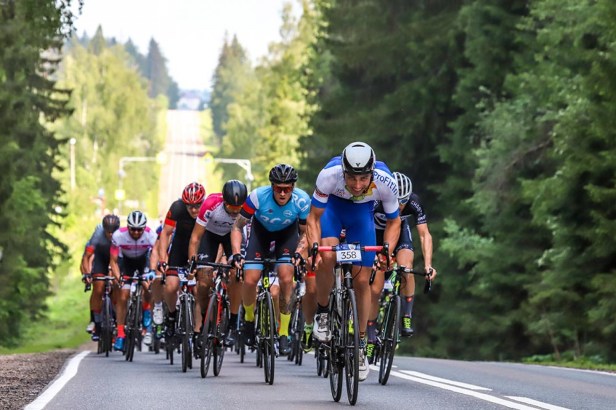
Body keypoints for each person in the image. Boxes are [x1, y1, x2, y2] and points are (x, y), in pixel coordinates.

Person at [303, 141, 401, 381]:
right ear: (343, 171)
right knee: (327, 256)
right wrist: (315, 249)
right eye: (352, 178)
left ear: (372, 173)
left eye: (363, 179)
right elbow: (313, 218)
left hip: (361, 215)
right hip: (332, 211)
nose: (357, 185)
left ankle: (360, 346)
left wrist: (387, 252)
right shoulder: (329, 174)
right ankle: (323, 314)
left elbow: (394, 222)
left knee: (362, 281)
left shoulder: (386, 181)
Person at [230, 164, 310, 356]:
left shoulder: (302, 200)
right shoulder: (257, 197)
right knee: (250, 279)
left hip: (286, 236)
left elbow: (306, 232)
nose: (282, 193)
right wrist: (237, 253)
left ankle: (283, 333)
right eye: (278, 188)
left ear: (293, 187)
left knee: (286, 277)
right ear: (272, 186)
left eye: (287, 189)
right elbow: (237, 226)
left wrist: (300, 252)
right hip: (260, 235)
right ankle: (249, 320)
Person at [366, 171, 437, 362]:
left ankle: (406, 315)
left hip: (400, 236)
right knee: (375, 289)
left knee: (406, 267)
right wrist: (375, 256)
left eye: (404, 201)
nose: (400, 205)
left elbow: (424, 235)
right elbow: (363, 226)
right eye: (397, 201)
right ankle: (370, 335)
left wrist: (429, 265)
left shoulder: (414, 202)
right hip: (375, 236)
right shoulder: (376, 199)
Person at [188, 179, 247, 348]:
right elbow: (195, 237)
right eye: (231, 207)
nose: (235, 211)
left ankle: (233, 323)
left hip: (233, 238)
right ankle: (205, 318)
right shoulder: (211, 204)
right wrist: (192, 262)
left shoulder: (248, 208)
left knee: (237, 274)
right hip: (210, 237)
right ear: (224, 201)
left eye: (238, 207)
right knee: (203, 282)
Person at [157, 182, 205, 339]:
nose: (194, 210)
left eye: (197, 206)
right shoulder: (177, 207)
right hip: (179, 248)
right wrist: (163, 259)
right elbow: (166, 233)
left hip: (200, 249)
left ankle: (198, 331)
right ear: (184, 204)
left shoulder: (208, 210)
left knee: (199, 290)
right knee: (171, 286)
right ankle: (171, 316)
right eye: (190, 206)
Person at [109, 210, 158, 351]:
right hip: (126, 263)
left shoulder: (151, 235)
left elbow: (156, 253)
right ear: (128, 227)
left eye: (139, 230)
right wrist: (119, 278)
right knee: (123, 296)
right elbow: (113, 261)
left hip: (144, 261)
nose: (136, 232)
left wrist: (152, 271)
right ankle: (120, 334)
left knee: (148, 287)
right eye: (133, 229)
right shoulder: (118, 235)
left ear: (144, 228)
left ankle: (146, 311)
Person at [81, 214, 120, 341]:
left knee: (117, 285)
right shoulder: (97, 235)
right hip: (100, 258)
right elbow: (86, 257)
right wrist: (87, 274)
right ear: (104, 229)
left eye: (113, 232)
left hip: (115, 259)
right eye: (108, 232)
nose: (111, 235)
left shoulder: (122, 236)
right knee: (98, 288)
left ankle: (116, 315)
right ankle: (95, 322)